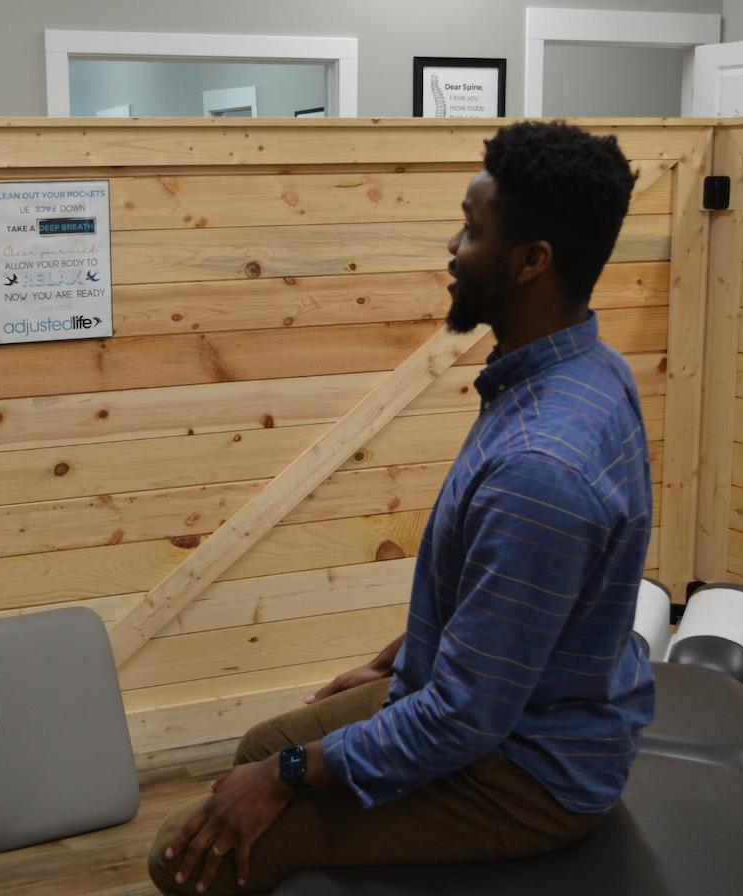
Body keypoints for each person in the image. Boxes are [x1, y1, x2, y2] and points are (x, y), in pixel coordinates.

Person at [148, 120, 655, 895]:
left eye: (471, 230)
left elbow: (463, 720)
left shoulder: (541, 467)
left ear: (530, 262)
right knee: (255, 746)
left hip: (527, 771)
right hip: (505, 702)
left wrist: (291, 777)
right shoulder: (584, 366)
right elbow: (520, 597)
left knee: (186, 860)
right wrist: (412, 650)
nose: (452, 247)